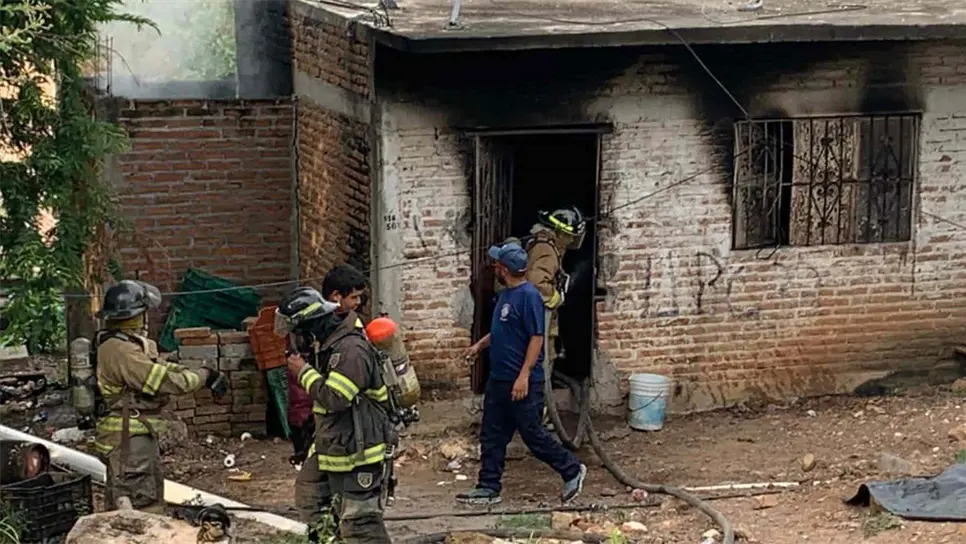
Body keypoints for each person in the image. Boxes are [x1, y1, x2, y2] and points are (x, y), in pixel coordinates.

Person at [457, 242, 587, 506]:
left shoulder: (528, 297)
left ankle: (572, 469)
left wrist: (524, 375)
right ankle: (488, 487)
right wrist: (479, 346)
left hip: (522, 383)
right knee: (492, 435)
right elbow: (504, 330)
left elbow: (536, 339)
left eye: (496, 264)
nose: (493, 266)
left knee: (533, 435)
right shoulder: (506, 294)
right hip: (499, 380)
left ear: (503, 269)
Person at [92, 280, 229, 512]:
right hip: (129, 443)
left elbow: (158, 366)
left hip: (133, 436)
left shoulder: (121, 344)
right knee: (141, 508)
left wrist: (185, 368)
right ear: (135, 316)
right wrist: (203, 376)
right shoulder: (120, 351)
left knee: (138, 500)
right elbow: (162, 381)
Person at [279, 287, 392, 544]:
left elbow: (336, 398)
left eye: (298, 332)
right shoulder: (330, 345)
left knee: (359, 523)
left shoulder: (351, 350)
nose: (296, 340)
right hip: (334, 445)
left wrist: (303, 372)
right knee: (310, 496)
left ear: (310, 326)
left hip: (359, 451)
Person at [289, 264, 370, 466]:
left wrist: (303, 372)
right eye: (354, 297)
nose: (358, 303)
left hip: (349, 431)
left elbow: (337, 396)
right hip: (324, 426)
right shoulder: (317, 328)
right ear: (336, 296)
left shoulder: (351, 339)